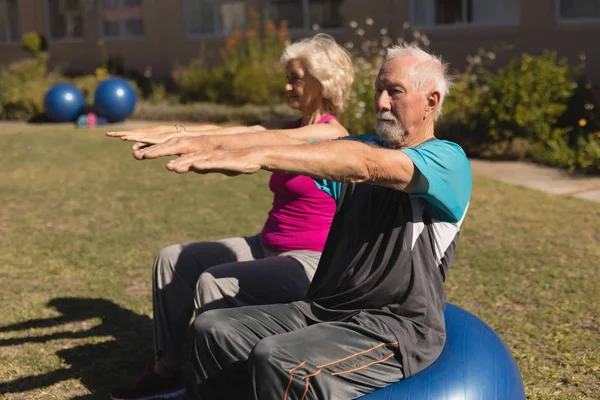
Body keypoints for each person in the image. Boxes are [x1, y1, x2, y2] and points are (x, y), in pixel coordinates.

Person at [130, 43, 472, 400]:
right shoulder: (361, 145)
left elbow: (366, 165)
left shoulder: (447, 161)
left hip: (392, 326)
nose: (382, 102)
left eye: (395, 92)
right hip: (325, 310)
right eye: (379, 90)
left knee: (276, 357)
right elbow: (291, 144)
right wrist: (197, 139)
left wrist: (260, 154)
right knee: (212, 328)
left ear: (431, 102)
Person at [108, 34, 355, 400]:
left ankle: (216, 387)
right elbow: (242, 134)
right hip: (265, 246)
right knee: (174, 259)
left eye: (296, 77)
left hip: (309, 262)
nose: (287, 86)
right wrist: (175, 134)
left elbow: (253, 144)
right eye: (287, 77)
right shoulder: (292, 126)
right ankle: (168, 370)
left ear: (323, 81)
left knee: (215, 281)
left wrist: (200, 145)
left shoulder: (331, 133)